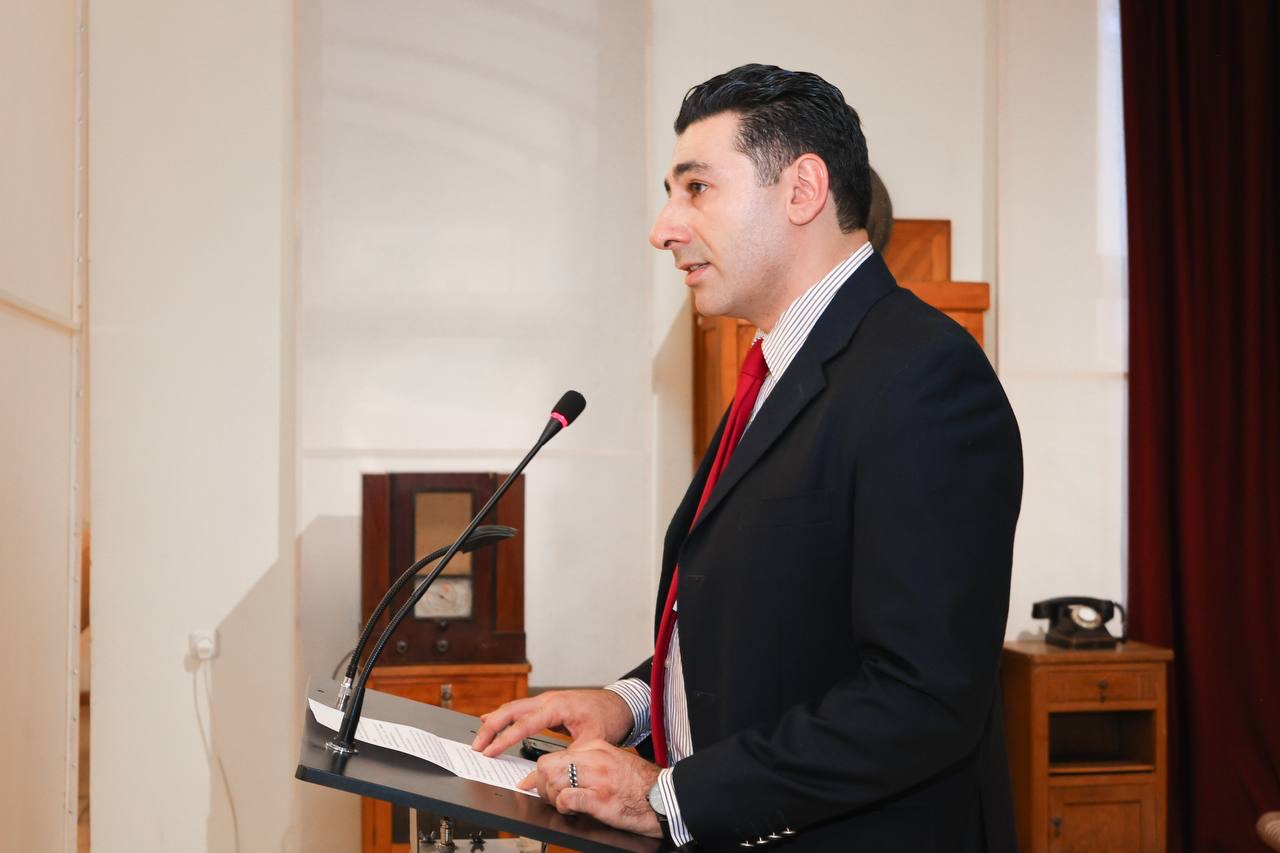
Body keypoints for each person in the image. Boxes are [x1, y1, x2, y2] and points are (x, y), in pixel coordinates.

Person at [472, 63, 1023, 852]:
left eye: (696, 188)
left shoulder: (923, 375)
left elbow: (920, 699)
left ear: (802, 190)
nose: (664, 227)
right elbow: (767, 624)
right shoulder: (780, 368)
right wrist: (629, 704)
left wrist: (666, 796)